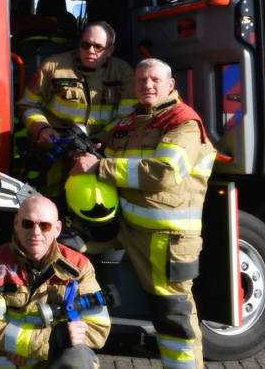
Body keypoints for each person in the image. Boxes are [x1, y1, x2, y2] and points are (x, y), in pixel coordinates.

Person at [70, 58, 216, 369]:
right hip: (123, 225)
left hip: (166, 238)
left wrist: (100, 166)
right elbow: (104, 150)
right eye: (141, 80)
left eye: (154, 80)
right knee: (64, 251)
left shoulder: (183, 121)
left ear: (170, 85)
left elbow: (164, 173)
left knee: (173, 314)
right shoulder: (131, 120)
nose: (147, 85)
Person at [0, 195, 110, 369]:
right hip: (6, 365)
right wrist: (52, 338)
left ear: (57, 229)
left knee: (78, 357)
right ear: (16, 223)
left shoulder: (79, 267)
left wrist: (38, 346)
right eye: (28, 224)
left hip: (50, 362)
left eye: (44, 226)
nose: (36, 232)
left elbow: (98, 329)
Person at [18, 22, 136, 198]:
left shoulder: (123, 72)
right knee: (46, 201)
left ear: (110, 50)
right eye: (85, 44)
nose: (90, 51)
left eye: (98, 47)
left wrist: (99, 141)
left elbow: (127, 117)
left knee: (90, 201)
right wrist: (41, 128)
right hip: (54, 149)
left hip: (99, 152)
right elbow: (27, 104)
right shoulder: (53, 66)